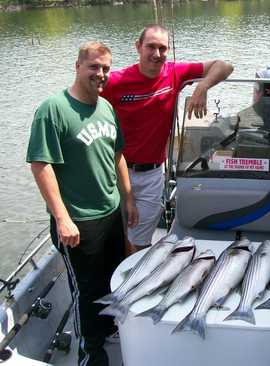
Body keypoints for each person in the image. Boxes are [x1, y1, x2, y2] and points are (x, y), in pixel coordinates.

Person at [26, 41, 138, 366]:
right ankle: (89, 354)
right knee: (86, 294)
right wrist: (62, 218)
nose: (100, 74)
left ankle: (109, 330)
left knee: (114, 279)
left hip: (111, 212)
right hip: (78, 222)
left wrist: (128, 199)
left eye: (105, 68)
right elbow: (40, 164)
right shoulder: (54, 109)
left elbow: (117, 156)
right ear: (77, 66)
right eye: (94, 67)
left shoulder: (106, 108)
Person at [102, 24, 233, 254]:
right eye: (150, 47)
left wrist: (202, 86)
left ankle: (135, 276)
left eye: (162, 48)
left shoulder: (174, 72)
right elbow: (83, 94)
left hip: (152, 174)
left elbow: (224, 66)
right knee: (115, 235)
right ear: (138, 47)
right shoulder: (116, 81)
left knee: (140, 239)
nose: (156, 54)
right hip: (114, 172)